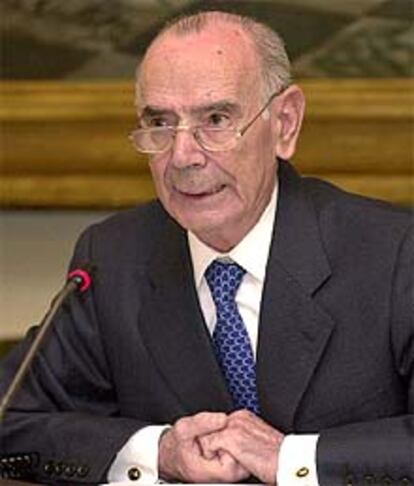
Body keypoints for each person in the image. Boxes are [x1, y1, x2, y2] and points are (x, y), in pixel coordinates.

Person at [1, 10, 413, 486]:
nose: (182, 156)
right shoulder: (113, 257)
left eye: (215, 119)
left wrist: (289, 458)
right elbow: (11, 417)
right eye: (159, 122)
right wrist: (157, 452)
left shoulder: (395, 253)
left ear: (284, 124)